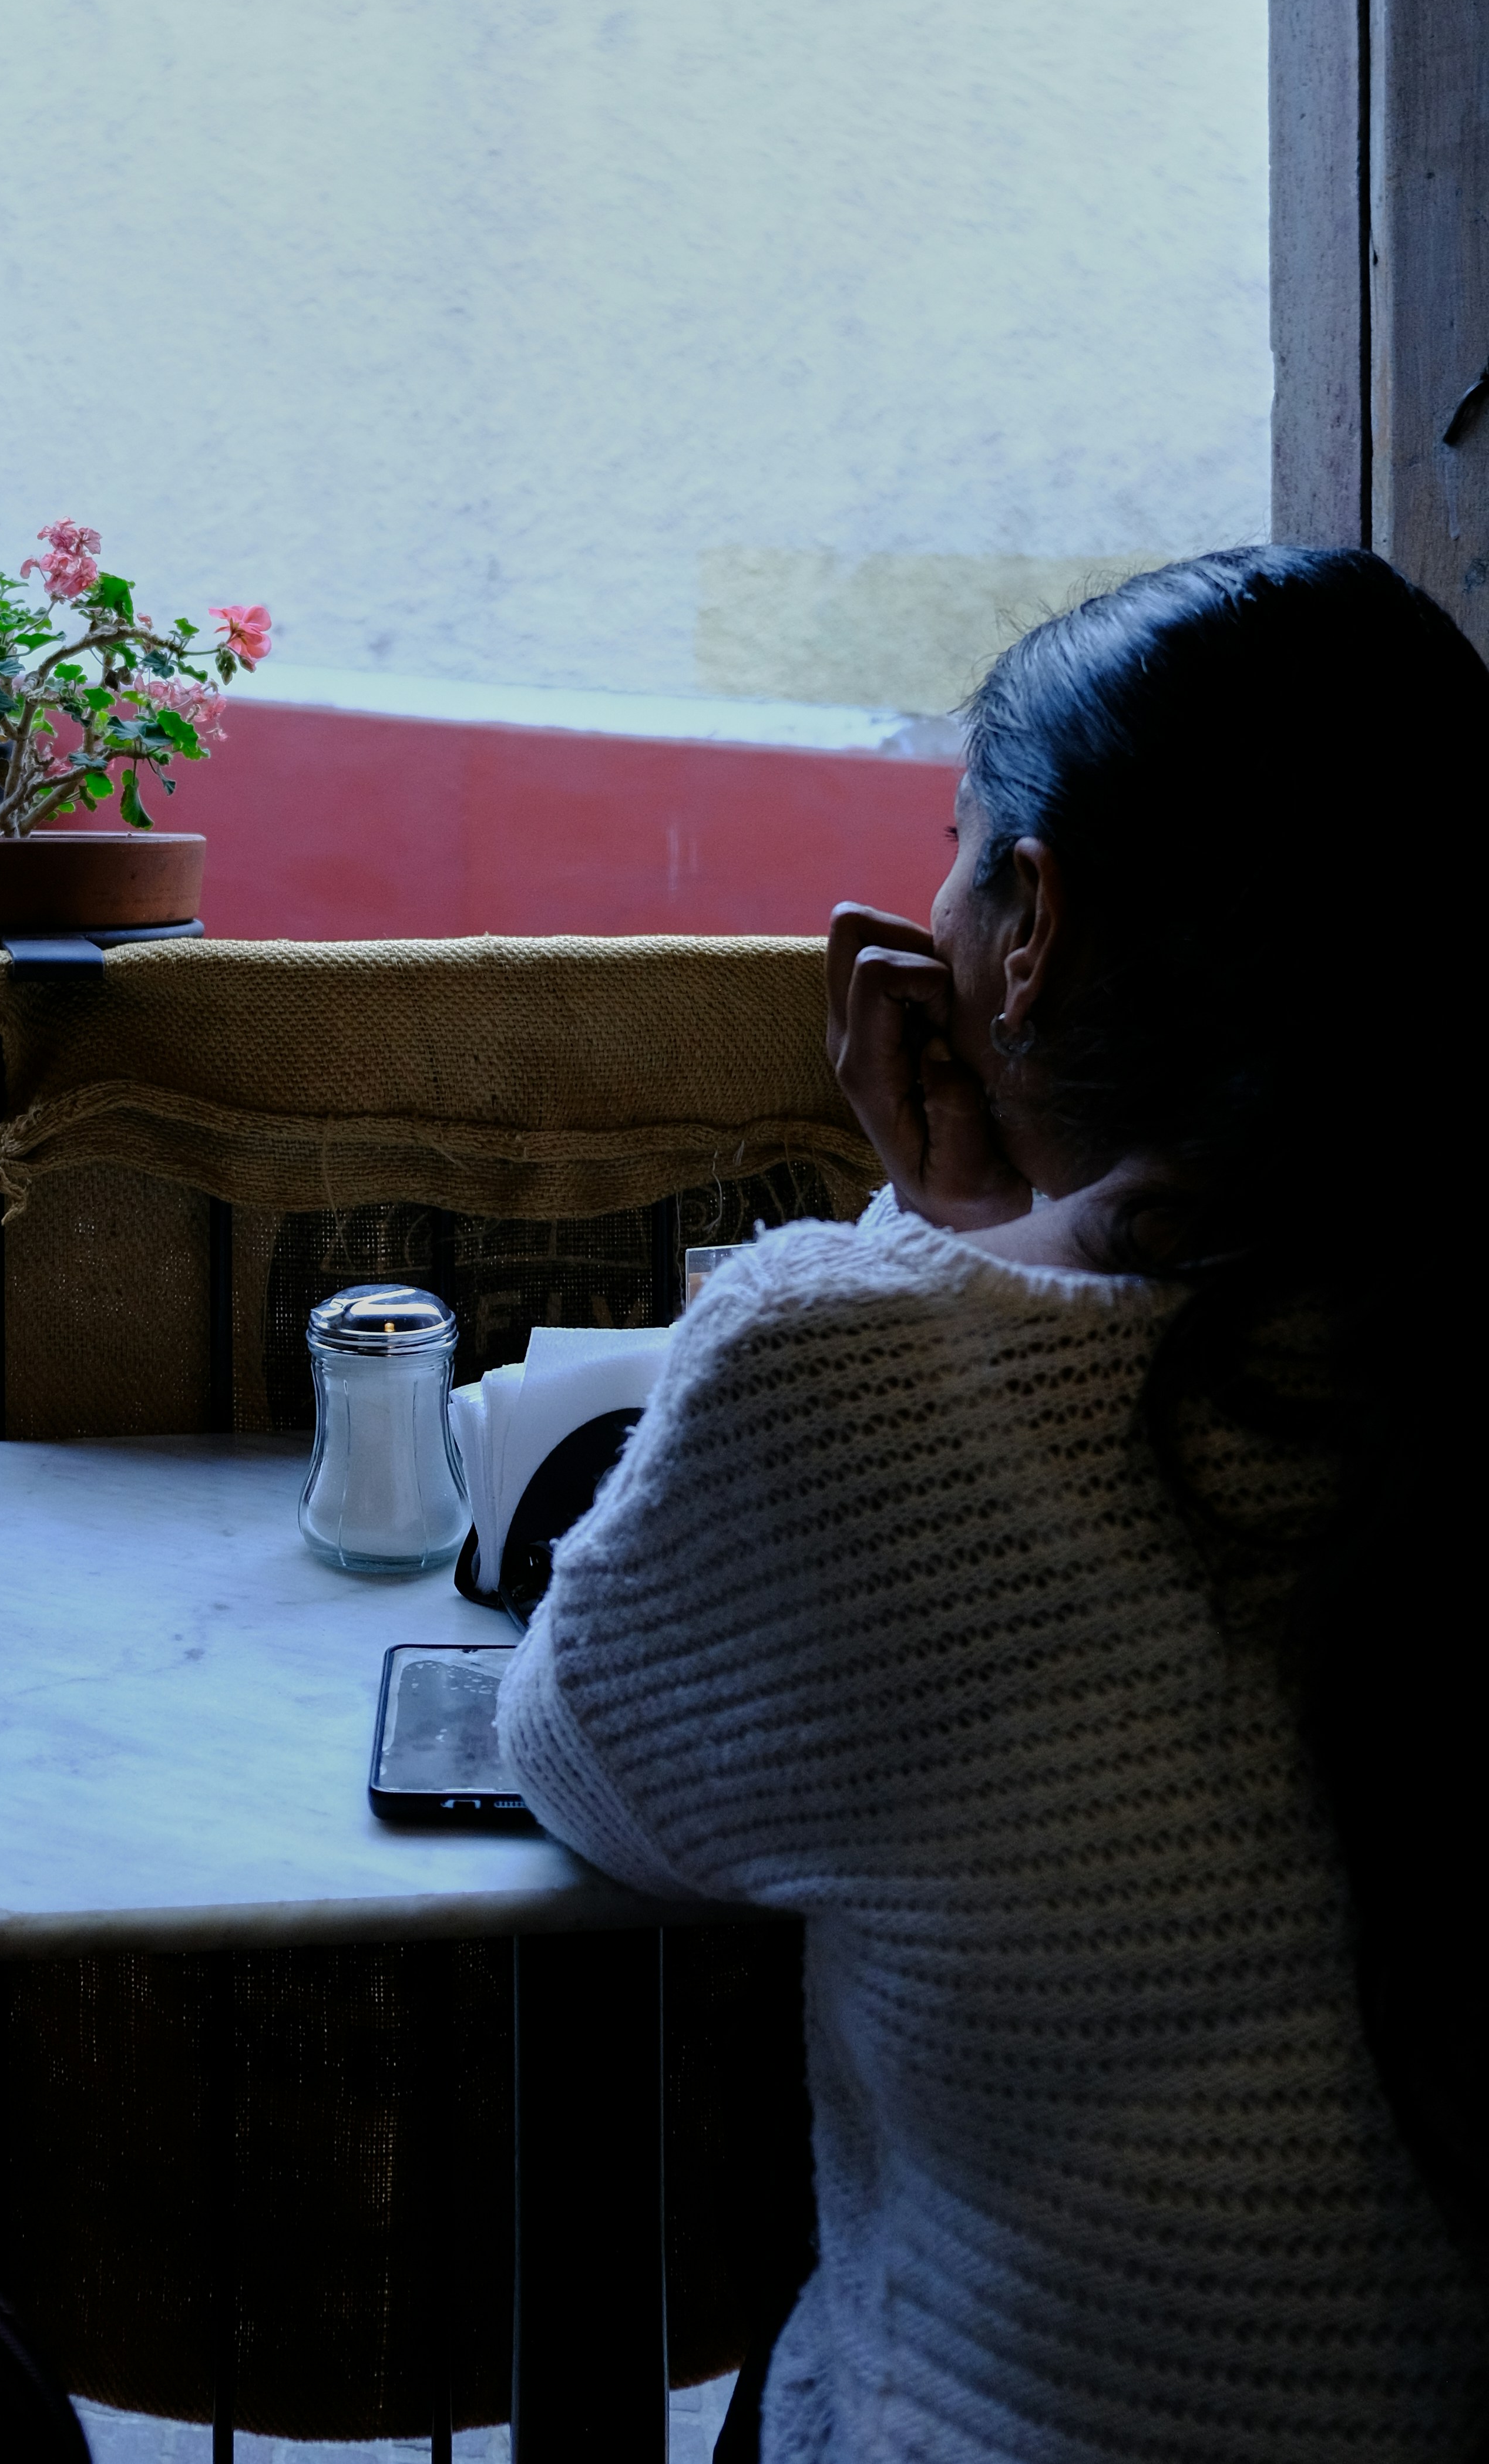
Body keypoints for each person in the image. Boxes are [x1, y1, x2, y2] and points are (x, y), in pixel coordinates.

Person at [498, 546, 1489, 2462]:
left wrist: (927, 1237)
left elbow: (586, 1761)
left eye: (961, 846)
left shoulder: (847, 1374)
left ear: (1027, 925)